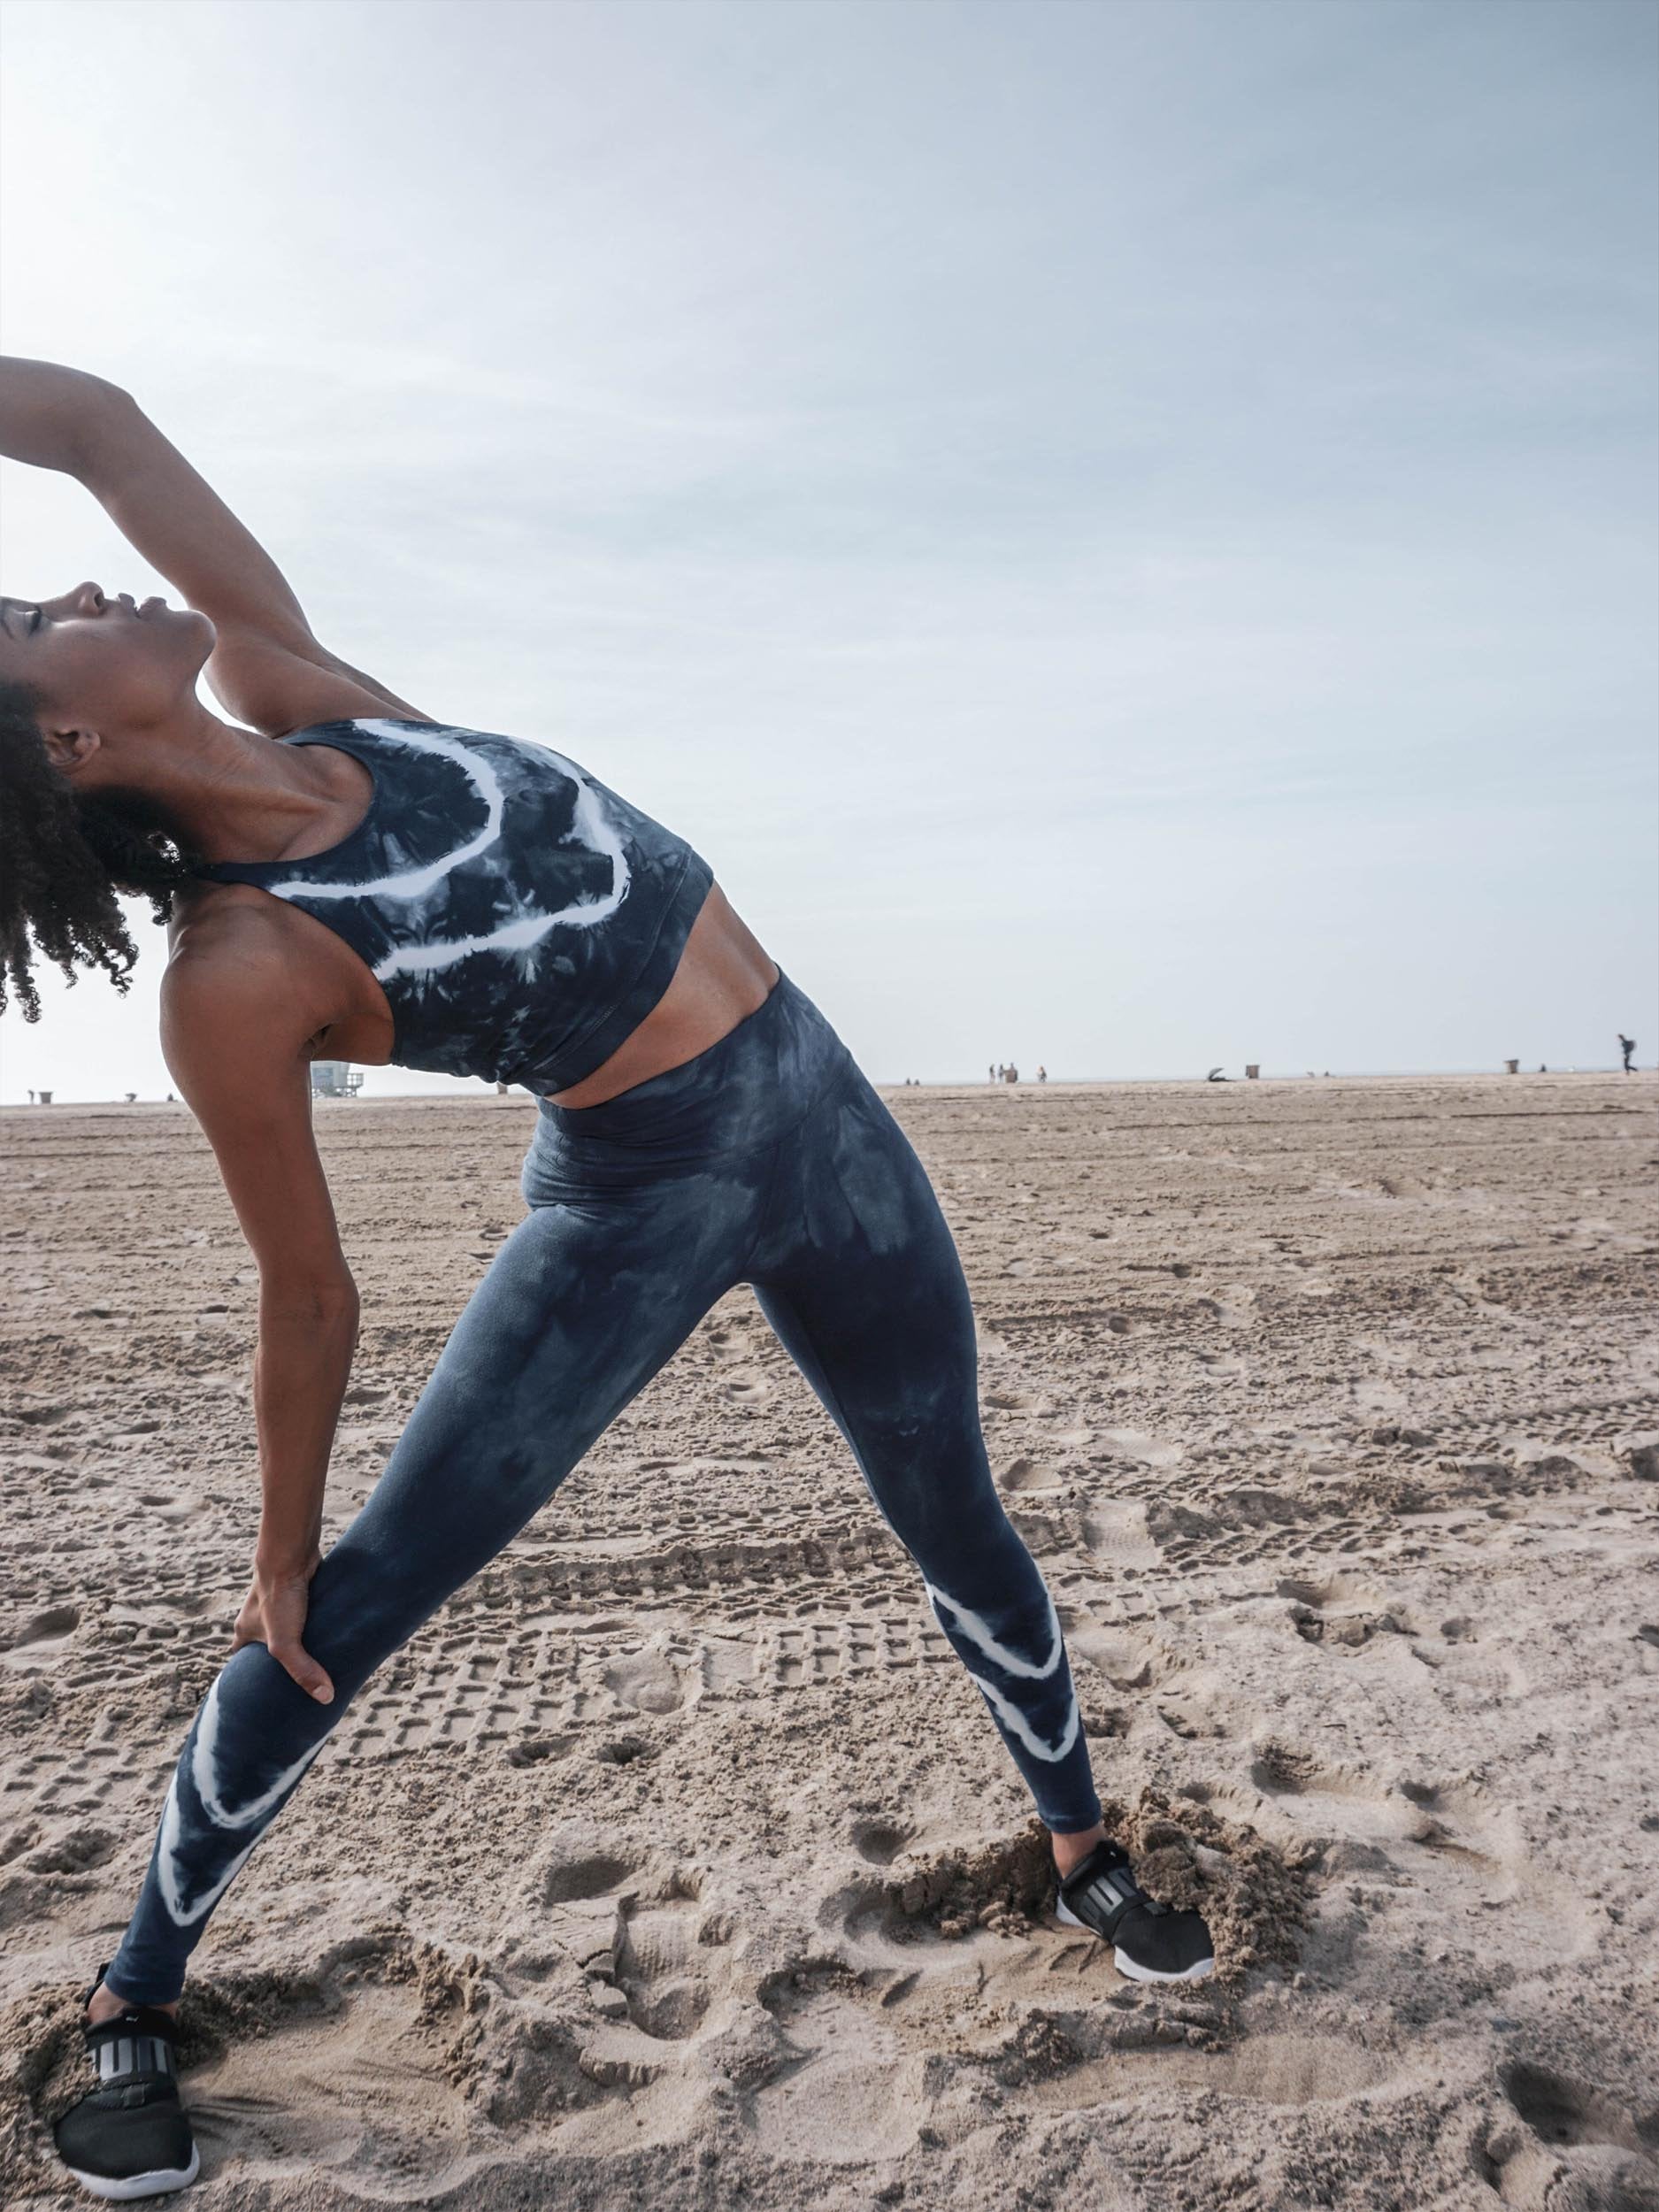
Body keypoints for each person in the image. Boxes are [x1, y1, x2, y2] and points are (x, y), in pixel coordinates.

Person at [0, 358, 1213, 2200]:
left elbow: (88, 427)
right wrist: (275, 1542)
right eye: (35, 623)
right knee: (354, 1595)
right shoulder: (238, 969)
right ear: (66, 748)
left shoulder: (308, 698)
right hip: (634, 1202)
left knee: (948, 1505)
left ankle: (1077, 1844)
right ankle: (130, 1999)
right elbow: (307, 1287)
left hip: (823, 1119)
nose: (78, 591)